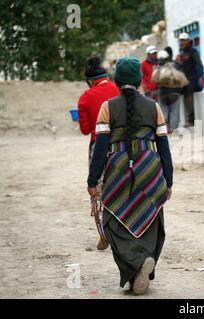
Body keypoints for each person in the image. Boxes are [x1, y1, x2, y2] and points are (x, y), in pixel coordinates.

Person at [87, 56, 173, 295]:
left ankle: (135, 266)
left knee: (112, 219)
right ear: (138, 81)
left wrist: (92, 181)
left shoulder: (107, 107)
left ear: (116, 80)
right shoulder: (154, 107)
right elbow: (164, 147)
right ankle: (145, 259)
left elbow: (100, 148)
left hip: (118, 168)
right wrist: (168, 179)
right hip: (150, 167)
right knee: (151, 216)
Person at [77, 56, 119, 250]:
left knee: (98, 189)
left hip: (98, 147)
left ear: (90, 81)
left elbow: (85, 130)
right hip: (122, 145)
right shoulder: (119, 90)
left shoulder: (85, 97)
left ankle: (103, 234)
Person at [152, 49, 189, 133]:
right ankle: (175, 130)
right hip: (174, 94)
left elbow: (155, 82)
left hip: (162, 95)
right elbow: (182, 77)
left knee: (164, 113)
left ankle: (165, 130)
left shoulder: (157, 69)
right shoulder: (175, 65)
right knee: (174, 112)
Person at [176, 33, 204, 127]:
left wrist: (201, 76)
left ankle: (191, 120)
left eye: (184, 40)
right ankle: (180, 121)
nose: (182, 42)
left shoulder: (193, 51)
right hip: (182, 80)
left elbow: (199, 64)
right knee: (181, 98)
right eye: (181, 40)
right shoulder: (180, 52)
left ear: (188, 41)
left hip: (192, 79)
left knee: (189, 98)